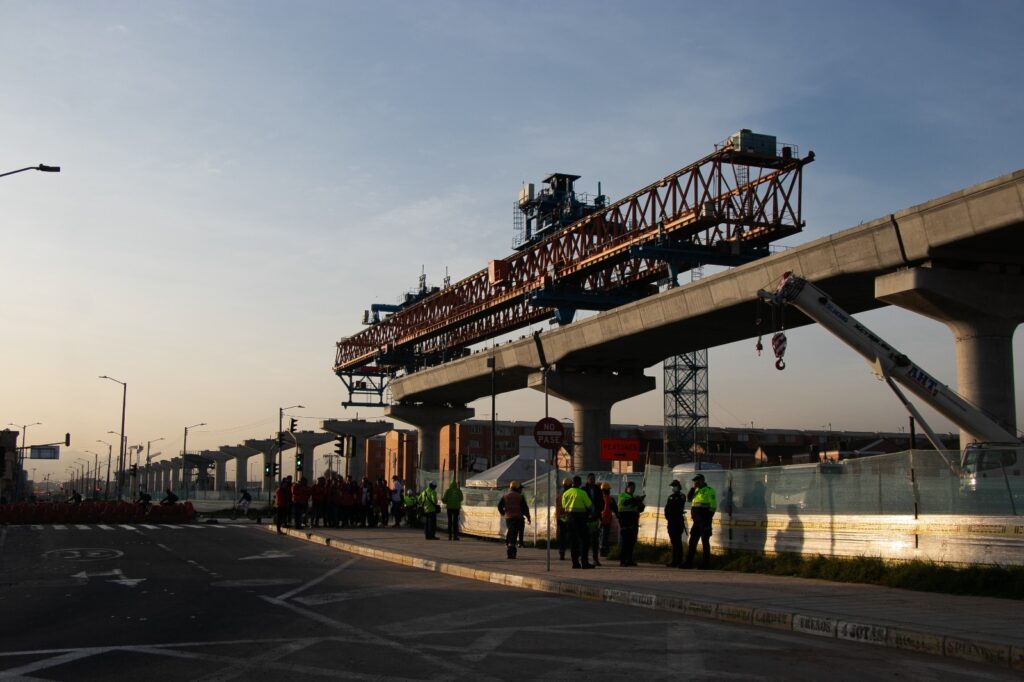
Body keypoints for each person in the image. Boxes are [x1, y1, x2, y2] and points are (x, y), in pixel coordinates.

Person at [683, 473, 717, 569]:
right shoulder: (696, 490)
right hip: (696, 522)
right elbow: (689, 499)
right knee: (692, 542)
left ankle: (706, 564)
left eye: (697, 481)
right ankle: (688, 563)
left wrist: (708, 520)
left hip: (705, 522)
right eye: (694, 481)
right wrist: (693, 488)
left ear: (702, 480)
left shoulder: (709, 490)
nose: (695, 482)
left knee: (705, 542)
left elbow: (713, 506)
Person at [561, 476, 595, 569]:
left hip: (570, 519)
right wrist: (591, 514)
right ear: (579, 483)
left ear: (572, 483)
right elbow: (590, 506)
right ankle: (585, 563)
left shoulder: (566, 493)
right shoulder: (582, 493)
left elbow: (563, 506)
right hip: (580, 519)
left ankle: (575, 563)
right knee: (584, 541)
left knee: (573, 542)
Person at [497, 480, 530, 559]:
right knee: (514, 533)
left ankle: (509, 547)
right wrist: (528, 517)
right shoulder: (520, 496)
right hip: (518, 517)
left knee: (511, 531)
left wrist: (503, 513)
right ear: (517, 488)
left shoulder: (505, 496)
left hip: (508, 518)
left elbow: (499, 506)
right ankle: (512, 550)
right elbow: (525, 508)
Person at [616, 481, 644, 567]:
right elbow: (624, 503)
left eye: (633, 488)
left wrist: (640, 503)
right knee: (625, 541)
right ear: (626, 488)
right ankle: (623, 560)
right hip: (625, 521)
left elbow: (640, 508)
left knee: (631, 542)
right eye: (630, 487)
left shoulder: (634, 497)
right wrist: (635, 500)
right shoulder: (622, 495)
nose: (632, 489)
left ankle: (629, 559)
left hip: (633, 521)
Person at [664, 480, 687, 567]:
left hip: (678, 521)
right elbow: (667, 508)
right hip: (671, 521)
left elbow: (678, 506)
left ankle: (678, 560)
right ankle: (674, 560)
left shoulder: (681, 496)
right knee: (673, 541)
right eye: (672, 486)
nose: (673, 488)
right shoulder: (671, 496)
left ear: (678, 487)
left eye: (674, 486)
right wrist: (667, 516)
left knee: (677, 541)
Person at [599, 482, 617, 558]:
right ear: (607, 490)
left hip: (599, 519)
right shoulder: (610, 499)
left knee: (600, 535)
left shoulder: (598, 498)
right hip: (606, 519)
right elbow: (615, 508)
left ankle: (601, 549)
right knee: (605, 535)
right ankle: (604, 550)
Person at [555, 477, 572, 560]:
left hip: (560, 518)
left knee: (562, 536)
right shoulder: (570, 495)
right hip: (568, 518)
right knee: (571, 535)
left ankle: (561, 552)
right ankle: (574, 552)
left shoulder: (559, 495)